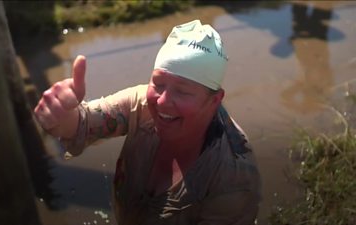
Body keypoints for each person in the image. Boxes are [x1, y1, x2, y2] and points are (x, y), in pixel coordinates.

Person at [34, 20, 261, 225]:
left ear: (214, 101)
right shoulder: (141, 104)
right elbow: (82, 124)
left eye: (182, 91)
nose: (162, 102)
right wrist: (62, 117)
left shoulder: (233, 177)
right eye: (159, 83)